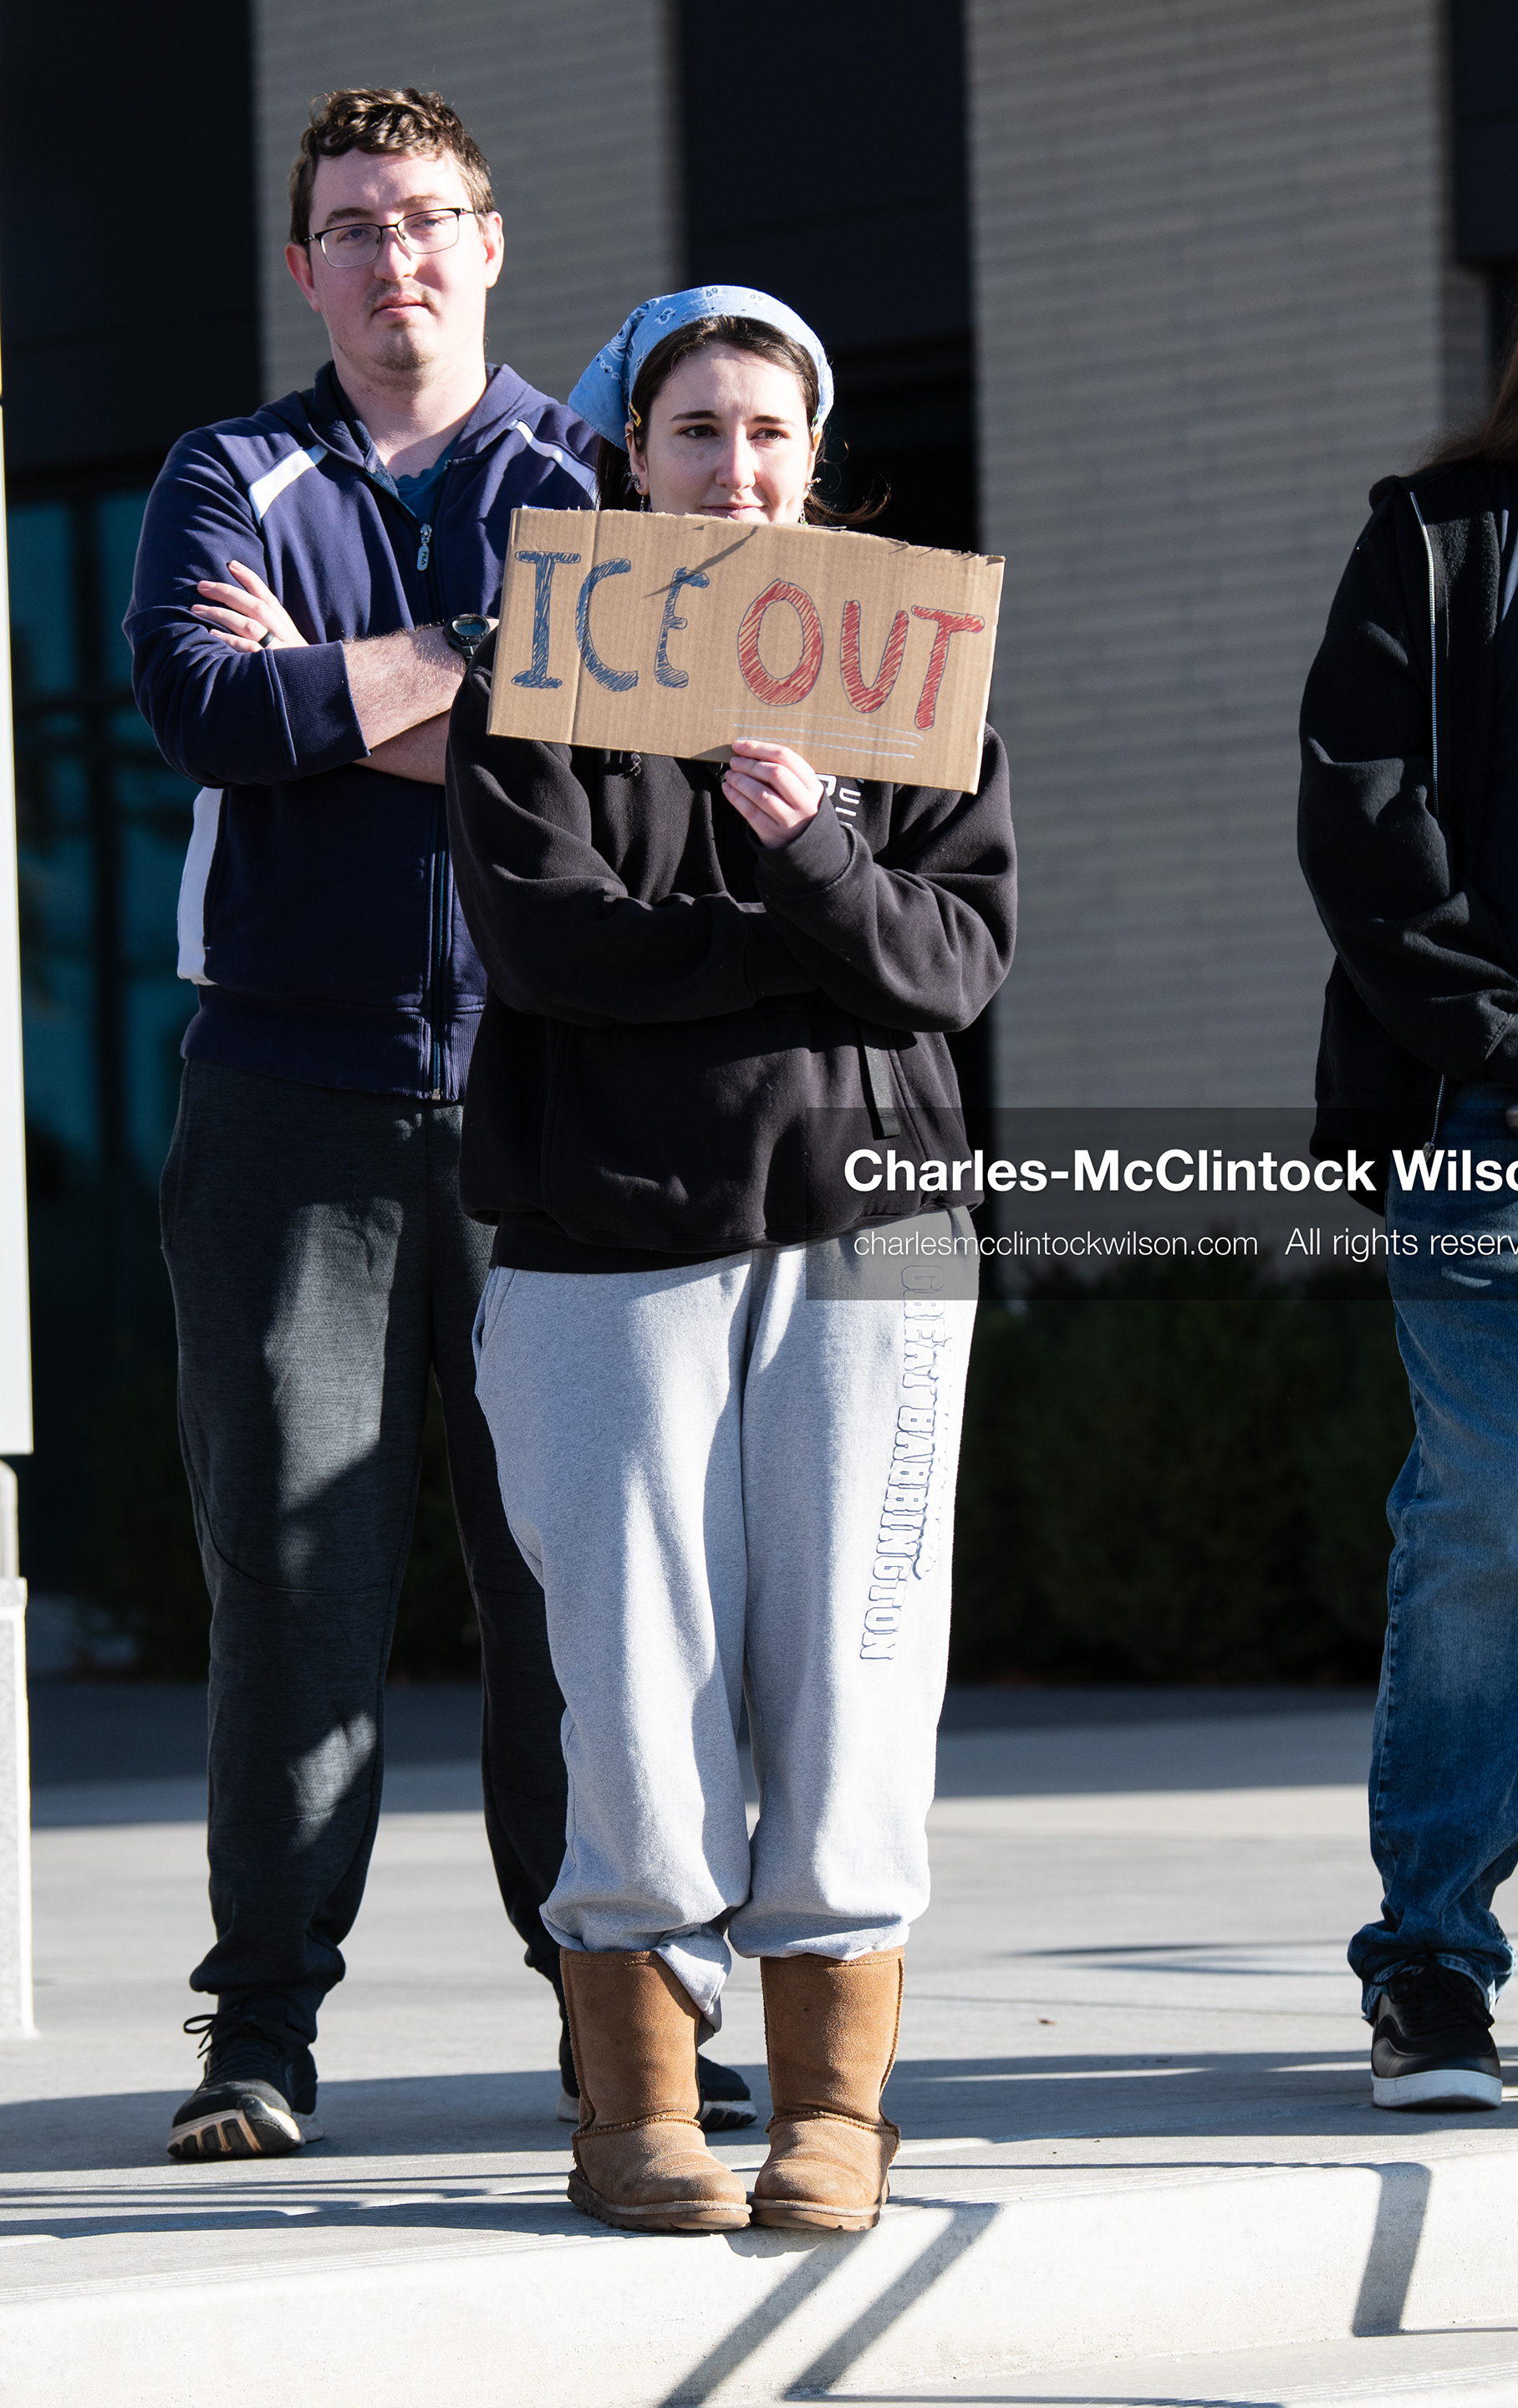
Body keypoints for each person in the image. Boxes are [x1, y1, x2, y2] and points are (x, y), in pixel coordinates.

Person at [126, 93, 751, 2160]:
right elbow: (211, 716)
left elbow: (627, 750)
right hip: (284, 1099)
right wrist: (485, 673)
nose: (393, 256)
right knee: (290, 1584)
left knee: (569, 1579)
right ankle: (264, 2036)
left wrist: (359, 686)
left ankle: (615, 2021)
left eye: (426, 221)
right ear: (304, 266)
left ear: (490, 247)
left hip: (541, 1096)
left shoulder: (589, 473)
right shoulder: (230, 470)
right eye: (350, 227)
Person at [447, 284, 1016, 2234]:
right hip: (606, 1252)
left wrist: (825, 861)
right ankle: (642, 2097)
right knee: (634, 1677)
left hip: (873, 1245)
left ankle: (837, 2109)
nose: (737, 468)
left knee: (862, 1672)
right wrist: (807, 935)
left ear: (814, 460)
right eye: (698, 432)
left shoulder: (908, 677)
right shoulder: (548, 666)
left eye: (770, 435)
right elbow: (552, 950)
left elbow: (956, 962)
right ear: (632, 456)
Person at [1299, 148, 1518, 2113]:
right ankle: (1433, 1966)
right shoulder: (1443, 535)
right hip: (1496, 1129)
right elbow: (1367, 828)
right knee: (1496, 1527)